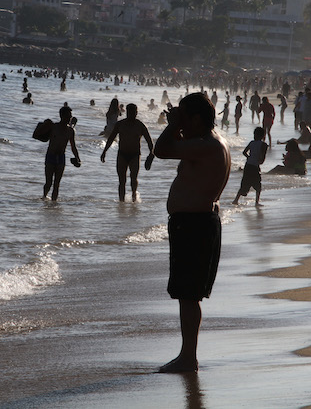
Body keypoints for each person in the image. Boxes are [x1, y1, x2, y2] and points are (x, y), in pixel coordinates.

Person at [153, 92, 230, 373]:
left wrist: (172, 125)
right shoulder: (210, 143)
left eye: (185, 117)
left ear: (197, 118)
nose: (180, 122)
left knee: (188, 294)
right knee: (188, 294)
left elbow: (160, 150)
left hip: (195, 224)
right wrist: (178, 124)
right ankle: (187, 355)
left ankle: (188, 357)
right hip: (197, 222)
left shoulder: (207, 145)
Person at [100, 103, 154, 202]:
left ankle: (134, 197)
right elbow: (111, 138)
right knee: (122, 181)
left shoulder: (140, 125)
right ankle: (121, 202)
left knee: (134, 179)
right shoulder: (120, 124)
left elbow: (150, 142)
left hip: (135, 155)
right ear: (127, 112)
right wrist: (104, 152)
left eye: (133, 112)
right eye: (129, 112)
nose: (132, 114)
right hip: (122, 155)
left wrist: (151, 155)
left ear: (136, 113)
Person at [40, 106, 81, 201]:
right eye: (68, 116)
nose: (70, 118)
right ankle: (44, 197)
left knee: (57, 183)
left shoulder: (70, 131)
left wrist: (77, 158)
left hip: (61, 157)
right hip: (50, 156)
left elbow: (73, 146)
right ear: (62, 116)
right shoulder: (54, 127)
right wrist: (45, 124)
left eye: (70, 116)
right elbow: (41, 135)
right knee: (49, 182)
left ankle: (54, 203)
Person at [232, 127, 267, 206]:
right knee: (258, 185)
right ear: (263, 136)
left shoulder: (251, 143)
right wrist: (259, 160)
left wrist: (249, 157)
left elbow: (244, 152)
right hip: (255, 166)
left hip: (248, 165)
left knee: (244, 182)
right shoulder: (263, 145)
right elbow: (262, 157)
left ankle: (236, 200)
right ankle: (256, 202)